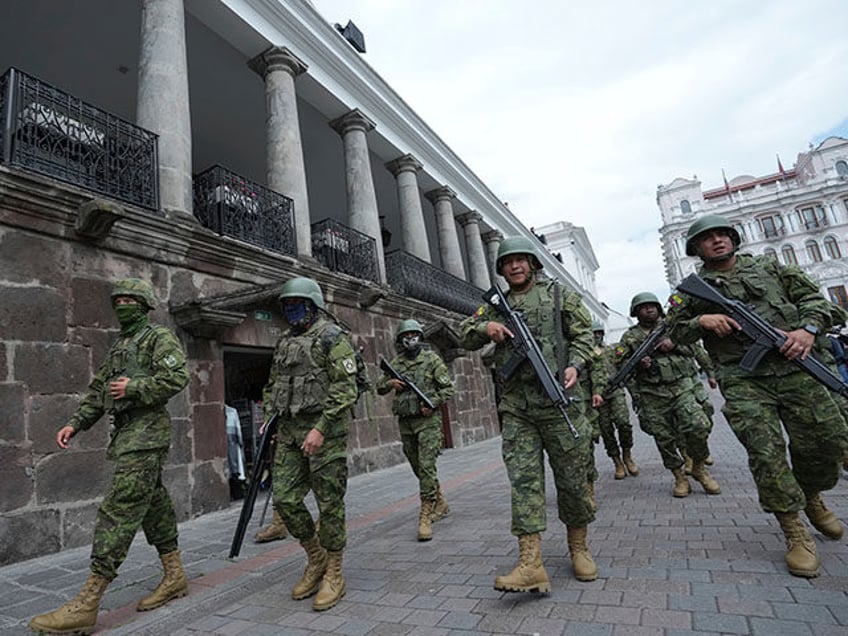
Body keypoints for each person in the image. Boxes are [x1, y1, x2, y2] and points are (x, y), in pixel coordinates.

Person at [667, 214, 847, 578]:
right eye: (708, 238)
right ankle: (794, 530)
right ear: (696, 248)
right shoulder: (690, 290)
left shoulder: (771, 268)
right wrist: (700, 322)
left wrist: (807, 330)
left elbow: (820, 302)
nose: (717, 241)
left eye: (722, 235)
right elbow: (671, 331)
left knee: (827, 440)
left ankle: (811, 494)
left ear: (733, 239)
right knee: (766, 453)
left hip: (795, 366)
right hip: (744, 377)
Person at [29, 278, 190, 635]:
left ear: (145, 304)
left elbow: (178, 376)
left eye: (131, 299)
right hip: (128, 434)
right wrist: (75, 423)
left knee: (119, 509)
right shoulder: (120, 346)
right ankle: (175, 575)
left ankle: (89, 601)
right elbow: (99, 390)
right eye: (118, 299)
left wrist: (136, 387)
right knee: (154, 505)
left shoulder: (157, 338)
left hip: (147, 435)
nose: (123, 304)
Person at [460, 236, 597, 591]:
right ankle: (530, 563)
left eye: (521, 260)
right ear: (501, 269)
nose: (515, 266)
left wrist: (577, 367)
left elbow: (584, 336)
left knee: (572, 482)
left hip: (561, 403)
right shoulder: (495, 305)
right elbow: (464, 333)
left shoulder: (558, 295)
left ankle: (578, 547)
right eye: (508, 262)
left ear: (533, 263)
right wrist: (484, 328)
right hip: (518, 408)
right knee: (524, 483)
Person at [261, 277, 358, 611]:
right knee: (286, 499)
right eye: (287, 305)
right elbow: (273, 383)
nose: (291, 310)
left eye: (297, 304)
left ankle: (334, 570)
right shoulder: (285, 341)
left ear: (314, 305)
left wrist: (321, 428)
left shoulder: (332, 338)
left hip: (324, 432)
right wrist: (271, 416)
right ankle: (315, 556)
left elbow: (346, 389)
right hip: (289, 432)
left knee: (329, 504)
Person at [617, 292, 720, 499]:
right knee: (664, 438)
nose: (649, 309)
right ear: (636, 312)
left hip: (682, 386)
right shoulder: (630, 337)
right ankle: (679, 476)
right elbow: (621, 366)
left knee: (699, 425)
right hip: (652, 394)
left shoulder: (673, 328)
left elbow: (695, 349)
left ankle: (698, 467)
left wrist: (676, 344)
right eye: (643, 307)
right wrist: (639, 366)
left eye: (652, 305)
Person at [377, 319, 455, 541]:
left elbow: (448, 389)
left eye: (414, 335)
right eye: (406, 336)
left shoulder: (431, 360)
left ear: (420, 338)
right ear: (400, 340)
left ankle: (426, 513)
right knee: (417, 465)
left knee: (427, 465)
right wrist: (391, 383)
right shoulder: (397, 363)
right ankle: (440, 501)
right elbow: (379, 386)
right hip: (406, 422)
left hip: (428, 422)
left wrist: (432, 402)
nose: (410, 339)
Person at [591, 322, 638, 479]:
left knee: (623, 423)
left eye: (599, 333)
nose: (597, 336)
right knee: (606, 430)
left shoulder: (612, 351)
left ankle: (627, 454)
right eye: (594, 333)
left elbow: (625, 369)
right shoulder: (585, 354)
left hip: (616, 391)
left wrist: (635, 395)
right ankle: (617, 461)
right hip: (598, 397)